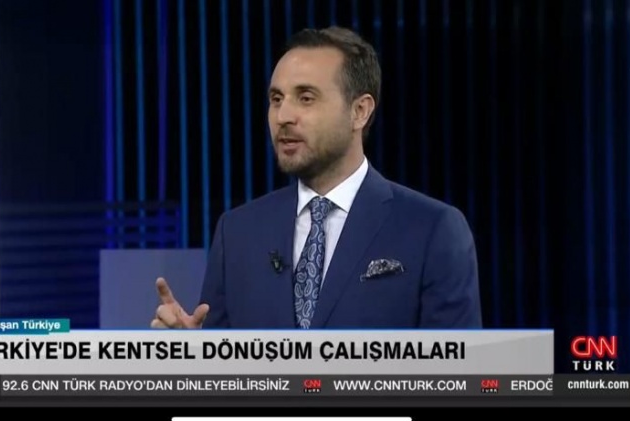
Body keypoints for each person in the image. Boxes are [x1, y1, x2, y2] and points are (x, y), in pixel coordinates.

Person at [151, 26, 482, 330]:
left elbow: (457, 370)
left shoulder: (432, 230)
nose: (283, 116)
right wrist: (194, 354)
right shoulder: (237, 233)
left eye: (306, 98)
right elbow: (223, 370)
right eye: (276, 99)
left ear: (360, 111)